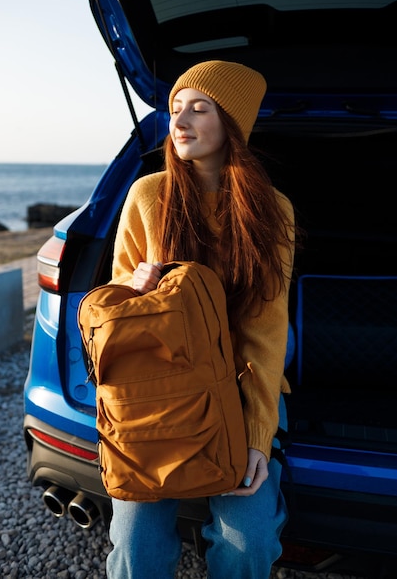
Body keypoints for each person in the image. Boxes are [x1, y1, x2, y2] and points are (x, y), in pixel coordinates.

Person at [107, 60, 296, 579]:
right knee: (133, 544)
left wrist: (259, 435)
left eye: (199, 107)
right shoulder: (148, 194)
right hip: (157, 392)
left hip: (236, 390)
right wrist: (133, 289)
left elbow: (266, 327)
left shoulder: (272, 210)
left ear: (231, 122)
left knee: (247, 543)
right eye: (174, 109)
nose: (180, 120)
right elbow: (110, 312)